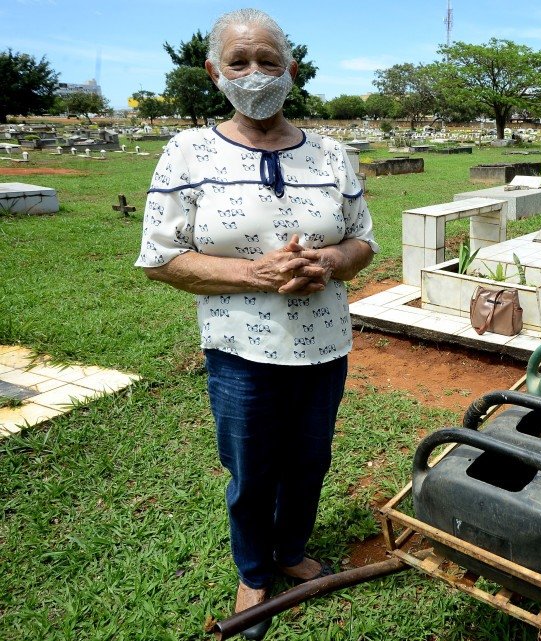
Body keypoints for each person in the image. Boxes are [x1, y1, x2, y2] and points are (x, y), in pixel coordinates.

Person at [135, 9, 378, 638]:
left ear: (291, 71)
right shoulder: (188, 152)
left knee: (310, 458)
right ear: (215, 73)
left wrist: (327, 261)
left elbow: (363, 244)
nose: (255, 74)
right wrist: (254, 275)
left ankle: (292, 549)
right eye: (239, 62)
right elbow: (161, 258)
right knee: (251, 465)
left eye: (269, 61)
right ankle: (253, 568)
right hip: (241, 348)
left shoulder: (330, 152)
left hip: (323, 344)